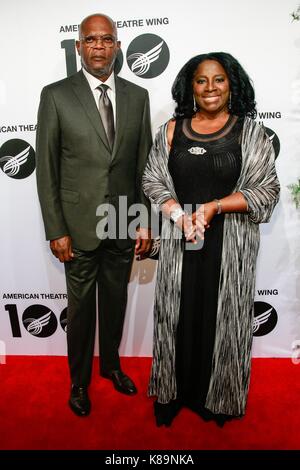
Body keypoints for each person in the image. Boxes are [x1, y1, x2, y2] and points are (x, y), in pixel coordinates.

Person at [142, 52, 280, 427]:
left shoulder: (250, 132)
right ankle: (173, 394)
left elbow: (266, 190)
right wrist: (178, 214)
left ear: (231, 84)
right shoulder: (172, 130)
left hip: (229, 247)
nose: (210, 88)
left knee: (221, 321)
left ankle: (217, 399)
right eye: (201, 80)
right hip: (179, 242)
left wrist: (215, 207)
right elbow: (153, 180)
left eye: (218, 79)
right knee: (177, 317)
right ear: (191, 86)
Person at [36, 13, 152, 417]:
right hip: (78, 227)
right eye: (91, 40)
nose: (99, 46)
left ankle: (113, 366)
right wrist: (56, 228)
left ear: (118, 46)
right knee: (82, 311)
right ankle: (79, 382)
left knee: (116, 303)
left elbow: (142, 166)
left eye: (107, 39)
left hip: (122, 221)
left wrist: (143, 220)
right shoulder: (56, 95)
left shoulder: (138, 96)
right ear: (79, 46)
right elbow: (47, 169)